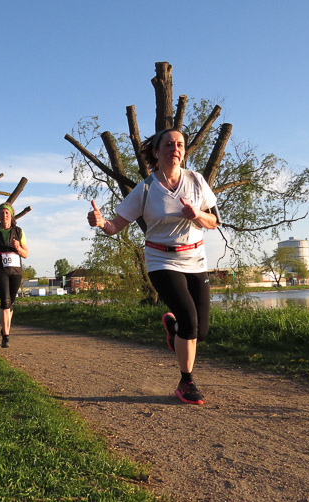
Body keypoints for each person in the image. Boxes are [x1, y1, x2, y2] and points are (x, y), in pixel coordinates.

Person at [87, 128, 220, 405]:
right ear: (157, 152)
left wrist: (197, 214)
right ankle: (186, 382)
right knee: (190, 321)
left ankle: (173, 328)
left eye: (180, 144)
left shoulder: (196, 180)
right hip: (162, 260)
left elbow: (214, 222)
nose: (175, 149)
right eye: (169, 144)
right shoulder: (145, 189)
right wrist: (101, 223)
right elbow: (115, 226)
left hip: (196, 259)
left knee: (201, 331)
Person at [0, 203, 29, 348]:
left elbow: (26, 254)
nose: (4, 215)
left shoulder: (19, 231)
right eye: (1, 213)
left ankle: (5, 328)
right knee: (5, 301)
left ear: (11, 215)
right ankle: (6, 336)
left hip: (15, 270)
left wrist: (18, 248)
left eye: (7, 213)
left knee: (11, 302)